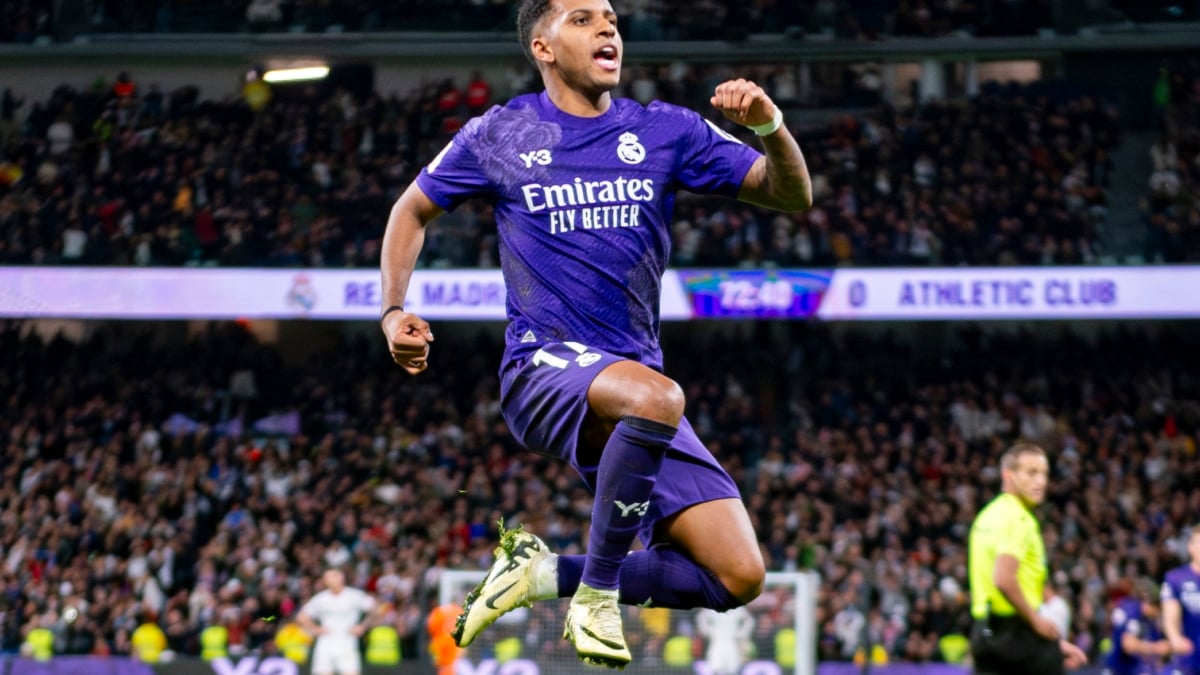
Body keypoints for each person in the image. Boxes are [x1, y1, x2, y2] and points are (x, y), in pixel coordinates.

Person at [379, 0, 810, 667]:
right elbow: (411, 209)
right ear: (543, 48)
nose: (607, 27)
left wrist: (771, 127)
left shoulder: (667, 129)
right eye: (582, 18)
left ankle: (545, 575)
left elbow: (789, 195)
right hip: (541, 367)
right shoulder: (501, 133)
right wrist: (392, 310)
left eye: (609, 16)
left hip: (630, 380)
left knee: (738, 575)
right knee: (660, 397)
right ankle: (597, 594)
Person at [967, 443, 1087, 674]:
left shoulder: (985, 517)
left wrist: (1052, 644)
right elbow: (1003, 578)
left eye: (1044, 474)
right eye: (1031, 473)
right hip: (1017, 634)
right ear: (1008, 475)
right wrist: (1036, 622)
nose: (1041, 482)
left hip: (985, 636)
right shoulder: (1020, 519)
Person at [295, 569, 377, 675]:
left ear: (342, 577)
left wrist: (363, 626)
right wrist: (315, 628)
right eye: (328, 577)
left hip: (347, 642)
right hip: (325, 643)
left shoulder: (355, 595)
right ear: (325, 581)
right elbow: (301, 616)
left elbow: (375, 610)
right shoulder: (321, 599)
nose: (332, 579)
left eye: (335, 576)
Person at [1106, 578, 1170, 675]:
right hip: (1119, 669)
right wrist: (1156, 648)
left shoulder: (1147, 618)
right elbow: (1128, 645)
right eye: (1158, 607)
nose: (1158, 613)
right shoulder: (1132, 611)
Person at [1162, 527, 1200, 675]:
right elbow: (1170, 614)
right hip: (1188, 658)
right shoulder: (1176, 578)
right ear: (1190, 548)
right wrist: (1174, 637)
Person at [696, 606, 755, 675]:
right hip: (717, 642)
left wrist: (741, 634)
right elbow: (701, 618)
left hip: (732, 643)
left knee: (733, 668)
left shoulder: (737, 607)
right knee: (716, 667)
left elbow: (749, 621)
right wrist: (709, 632)